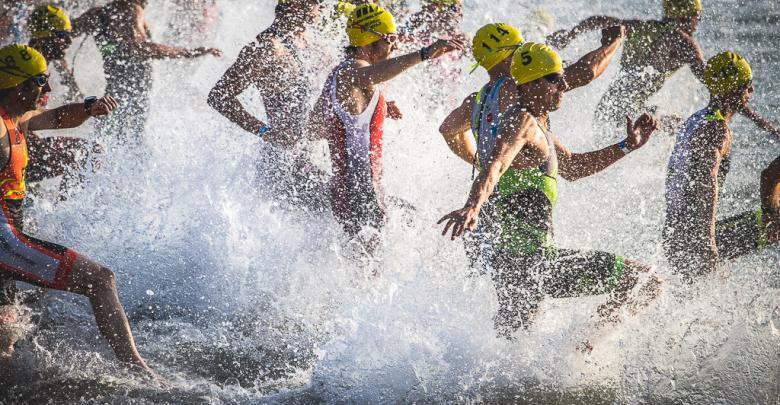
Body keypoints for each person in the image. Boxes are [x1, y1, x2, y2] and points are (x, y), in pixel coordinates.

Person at [438, 42, 661, 336]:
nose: (565, 84)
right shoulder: (520, 122)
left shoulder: (537, 127)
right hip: (535, 263)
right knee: (645, 282)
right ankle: (586, 348)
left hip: (515, 264)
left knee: (510, 351)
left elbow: (574, 167)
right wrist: (473, 205)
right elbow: (494, 166)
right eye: (554, 79)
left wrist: (626, 146)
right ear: (530, 84)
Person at [0, 44, 153, 375]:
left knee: (6, 337)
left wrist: (88, 108)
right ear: (16, 85)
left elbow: (56, 117)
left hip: (11, 235)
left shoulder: (15, 116)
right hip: (5, 243)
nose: (49, 89)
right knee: (101, 279)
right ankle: (139, 372)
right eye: (41, 81)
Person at [439, 22, 626, 270]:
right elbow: (585, 72)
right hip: (518, 225)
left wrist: (480, 161)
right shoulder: (525, 88)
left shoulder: (478, 100)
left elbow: (448, 130)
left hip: (493, 222)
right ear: (511, 54)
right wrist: (614, 43)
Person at [309, 4, 463, 247]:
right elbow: (367, 75)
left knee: (402, 231)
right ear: (368, 42)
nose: (395, 45)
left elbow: (313, 128)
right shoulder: (354, 70)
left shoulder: (337, 75)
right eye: (389, 39)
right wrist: (424, 54)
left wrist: (370, 109)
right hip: (361, 189)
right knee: (372, 267)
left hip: (346, 189)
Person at [663, 51, 780, 281]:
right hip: (692, 239)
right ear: (736, 91)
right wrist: (709, 241)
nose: (752, 92)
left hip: (677, 235)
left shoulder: (699, 118)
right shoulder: (717, 130)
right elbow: (707, 181)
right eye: (748, 86)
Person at [208, 0, 328, 211]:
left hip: (309, 159)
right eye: (317, 1)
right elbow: (219, 96)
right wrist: (266, 132)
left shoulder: (310, 41)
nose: (323, 7)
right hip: (284, 168)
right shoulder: (268, 47)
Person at [71, 0, 222, 143]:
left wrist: (67, 79)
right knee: (133, 138)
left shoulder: (98, 14)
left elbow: (62, 35)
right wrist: (189, 52)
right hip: (135, 89)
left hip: (115, 89)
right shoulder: (132, 10)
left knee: (107, 135)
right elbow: (142, 48)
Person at [26, 5, 100, 194]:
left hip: (22, 145)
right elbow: (15, 121)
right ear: (43, 36)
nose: (69, 41)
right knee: (80, 154)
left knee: (91, 149)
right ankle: (67, 210)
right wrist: (41, 149)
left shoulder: (44, 64)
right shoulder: (27, 72)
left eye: (69, 34)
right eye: (61, 35)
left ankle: (65, 208)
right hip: (11, 150)